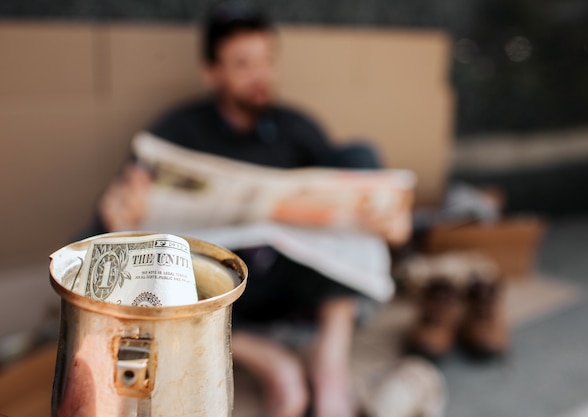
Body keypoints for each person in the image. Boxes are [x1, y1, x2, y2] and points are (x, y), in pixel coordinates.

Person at [96, 2, 410, 416]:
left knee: (359, 155)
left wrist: (394, 225)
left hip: (291, 282)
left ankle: (329, 367)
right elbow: (104, 240)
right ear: (213, 72)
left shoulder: (297, 128)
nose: (260, 75)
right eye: (243, 64)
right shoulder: (176, 132)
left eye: (266, 60)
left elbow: (354, 207)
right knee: (155, 265)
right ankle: (271, 363)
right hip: (223, 299)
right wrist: (115, 219)